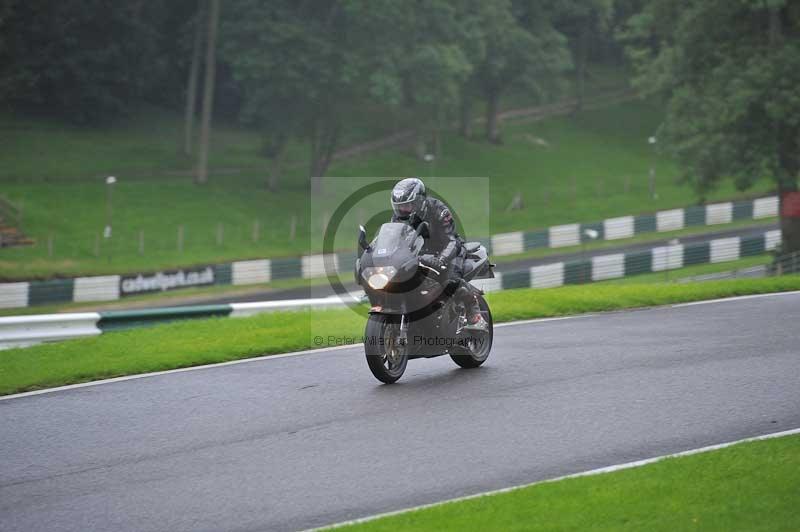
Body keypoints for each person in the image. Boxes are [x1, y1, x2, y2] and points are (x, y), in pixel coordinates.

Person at [390, 177, 488, 331]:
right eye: (399, 207)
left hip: (448, 250)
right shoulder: (398, 217)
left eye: (407, 205)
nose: (403, 210)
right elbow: (395, 239)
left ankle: (474, 313)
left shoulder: (438, 210)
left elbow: (451, 240)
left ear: (419, 201)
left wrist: (441, 259)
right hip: (421, 255)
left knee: (450, 281)